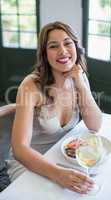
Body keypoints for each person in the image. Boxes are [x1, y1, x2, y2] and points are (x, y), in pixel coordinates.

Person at [7, 21, 102, 194]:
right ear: (44, 54)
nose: (63, 51)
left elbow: (95, 125)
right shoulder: (30, 86)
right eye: (53, 46)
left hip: (62, 156)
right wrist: (58, 174)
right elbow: (20, 149)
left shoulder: (78, 76)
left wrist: (80, 83)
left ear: (76, 47)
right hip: (31, 164)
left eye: (67, 43)